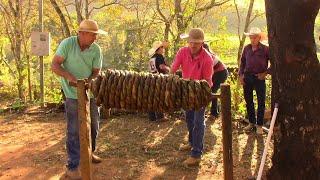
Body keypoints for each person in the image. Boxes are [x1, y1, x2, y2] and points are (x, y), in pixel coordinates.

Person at [51, 19, 106, 179]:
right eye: (92, 35)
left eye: (96, 35)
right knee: (74, 130)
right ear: (81, 34)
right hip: (72, 93)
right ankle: (73, 165)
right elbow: (55, 65)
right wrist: (69, 76)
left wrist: (89, 82)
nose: (95, 38)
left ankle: (90, 153)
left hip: (91, 93)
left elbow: (96, 71)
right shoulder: (67, 44)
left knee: (94, 126)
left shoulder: (96, 49)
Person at [171, 28, 214, 166]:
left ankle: (196, 153)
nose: (193, 45)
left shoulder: (207, 58)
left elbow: (208, 81)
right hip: (185, 90)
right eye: (191, 42)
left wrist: (202, 96)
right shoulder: (182, 52)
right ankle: (191, 142)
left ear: (202, 43)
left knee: (198, 122)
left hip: (200, 92)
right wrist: (167, 82)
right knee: (189, 119)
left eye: (196, 43)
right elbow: (173, 69)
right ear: (188, 41)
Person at [238, 27, 270, 135]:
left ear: (259, 37)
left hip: (259, 77)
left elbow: (273, 63)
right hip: (247, 77)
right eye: (251, 37)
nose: (252, 39)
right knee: (249, 101)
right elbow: (242, 63)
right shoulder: (247, 48)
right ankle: (251, 122)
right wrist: (241, 75)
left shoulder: (265, 49)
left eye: (254, 37)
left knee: (261, 102)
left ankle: (259, 125)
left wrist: (265, 73)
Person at [203, 43, 229, 120]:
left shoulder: (209, 56)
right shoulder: (204, 56)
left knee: (213, 91)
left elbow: (209, 72)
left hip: (220, 73)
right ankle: (214, 111)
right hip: (216, 73)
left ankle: (214, 113)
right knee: (211, 91)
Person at [148, 41, 170, 122]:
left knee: (152, 98)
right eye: (162, 47)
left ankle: (152, 117)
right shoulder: (160, 56)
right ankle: (160, 116)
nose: (163, 49)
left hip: (151, 79)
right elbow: (161, 66)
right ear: (158, 49)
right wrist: (170, 69)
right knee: (160, 97)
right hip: (159, 80)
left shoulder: (152, 57)